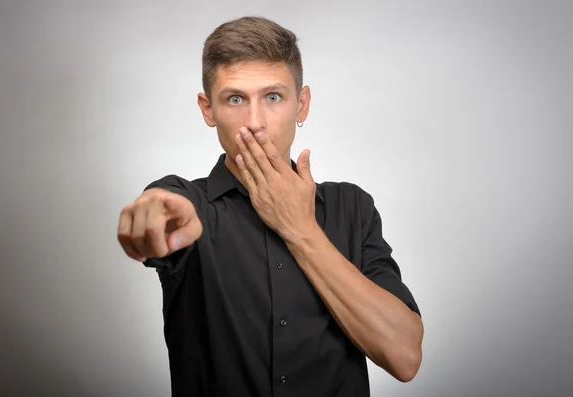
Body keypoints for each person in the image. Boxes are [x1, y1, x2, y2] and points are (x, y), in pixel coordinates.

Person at [117, 16, 423, 397]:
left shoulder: (353, 207)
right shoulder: (189, 203)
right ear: (208, 109)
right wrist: (153, 214)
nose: (255, 123)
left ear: (302, 104)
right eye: (235, 99)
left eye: (273, 97)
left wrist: (300, 229)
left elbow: (405, 356)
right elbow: (162, 207)